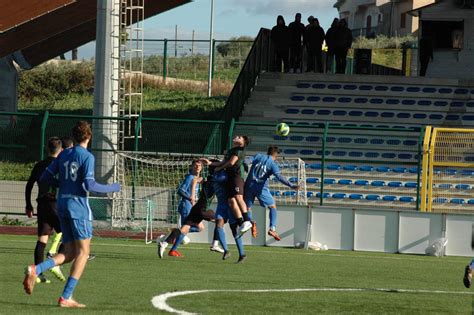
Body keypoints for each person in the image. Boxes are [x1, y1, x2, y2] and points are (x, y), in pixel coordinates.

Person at [22, 121, 121, 308]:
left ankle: (36, 269)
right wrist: (113, 187)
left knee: (69, 252)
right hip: (78, 206)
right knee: (84, 252)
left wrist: (63, 185)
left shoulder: (64, 154)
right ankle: (65, 296)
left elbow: (44, 177)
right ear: (89, 137)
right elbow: (90, 186)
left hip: (62, 204)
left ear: (74, 137)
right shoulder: (87, 157)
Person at [25, 137, 66, 283]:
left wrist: (28, 205)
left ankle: (37, 274)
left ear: (47, 149)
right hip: (55, 203)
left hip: (41, 203)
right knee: (69, 236)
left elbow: (29, 185)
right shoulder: (60, 164)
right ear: (61, 150)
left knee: (42, 239)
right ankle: (55, 262)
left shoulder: (39, 165)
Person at [201, 136, 252, 238]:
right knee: (231, 201)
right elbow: (223, 162)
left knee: (238, 198)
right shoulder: (231, 150)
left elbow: (231, 163)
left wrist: (219, 168)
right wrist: (210, 163)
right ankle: (241, 223)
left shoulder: (239, 150)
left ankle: (247, 220)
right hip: (229, 178)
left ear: (243, 142)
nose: (236, 137)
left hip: (236, 177)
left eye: (240, 137)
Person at [244, 146, 299, 241]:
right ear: (276, 154)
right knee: (272, 206)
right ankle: (272, 229)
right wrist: (291, 185)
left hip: (248, 186)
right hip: (261, 188)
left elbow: (246, 161)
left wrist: (245, 166)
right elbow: (279, 177)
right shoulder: (273, 165)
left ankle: (250, 222)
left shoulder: (258, 156)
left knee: (247, 207)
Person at [158, 176, 217, 258]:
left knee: (190, 229)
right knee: (220, 219)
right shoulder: (193, 178)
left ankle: (165, 243)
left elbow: (196, 180)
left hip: (196, 207)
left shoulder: (206, 182)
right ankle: (215, 244)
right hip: (196, 208)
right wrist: (192, 196)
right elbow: (190, 183)